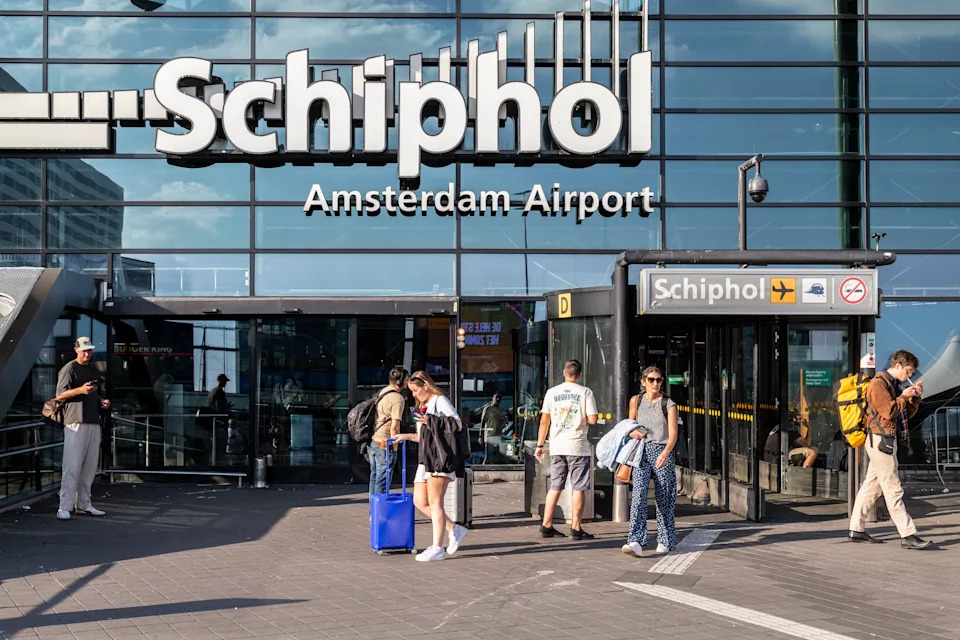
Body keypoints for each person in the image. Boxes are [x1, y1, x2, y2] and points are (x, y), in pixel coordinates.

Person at [849, 350, 932, 549]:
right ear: (897, 366)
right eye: (908, 370)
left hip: (883, 438)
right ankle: (908, 534)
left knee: (872, 486)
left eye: (911, 372)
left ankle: (856, 529)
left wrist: (915, 398)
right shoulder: (878, 384)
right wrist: (904, 396)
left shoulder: (893, 385)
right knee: (893, 487)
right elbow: (889, 411)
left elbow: (904, 414)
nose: (909, 375)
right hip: (880, 440)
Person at [395, 371, 468, 562]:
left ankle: (437, 547)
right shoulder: (421, 406)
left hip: (438, 458)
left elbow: (458, 425)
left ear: (426, 386)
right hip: (425, 458)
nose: (414, 395)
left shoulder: (439, 401)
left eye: (415, 390)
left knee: (435, 503)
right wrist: (406, 436)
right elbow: (422, 437)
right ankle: (453, 529)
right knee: (420, 501)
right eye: (411, 391)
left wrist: (431, 421)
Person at [535, 359, 598, 540]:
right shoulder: (585, 392)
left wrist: (540, 445)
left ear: (564, 372)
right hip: (577, 445)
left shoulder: (552, 393)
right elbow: (593, 419)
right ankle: (576, 528)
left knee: (555, 486)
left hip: (556, 445)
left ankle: (546, 524)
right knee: (578, 487)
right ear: (579, 375)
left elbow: (544, 421)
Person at [622, 365, 679, 558]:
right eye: (651, 380)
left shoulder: (668, 404)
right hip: (641, 451)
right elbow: (628, 426)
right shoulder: (635, 401)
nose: (655, 383)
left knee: (664, 497)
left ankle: (665, 540)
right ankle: (635, 540)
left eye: (659, 380)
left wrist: (666, 452)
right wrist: (632, 432)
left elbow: (673, 434)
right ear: (643, 381)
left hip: (662, 450)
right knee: (638, 495)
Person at [54, 337, 111, 521]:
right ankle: (64, 506)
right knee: (72, 466)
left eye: (89, 350)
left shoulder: (93, 369)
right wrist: (80, 390)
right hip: (75, 421)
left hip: (92, 421)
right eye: (84, 350)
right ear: (76, 349)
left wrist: (102, 401)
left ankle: (84, 504)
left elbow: (94, 393)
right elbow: (60, 395)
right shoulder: (69, 368)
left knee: (89, 467)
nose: (87, 353)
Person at [368, 366, 408, 497]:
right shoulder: (397, 398)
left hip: (375, 441)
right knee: (383, 482)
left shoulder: (383, 391)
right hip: (386, 444)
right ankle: (380, 513)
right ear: (400, 381)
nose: (408, 382)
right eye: (407, 379)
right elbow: (394, 426)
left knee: (374, 479)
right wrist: (395, 446)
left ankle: (373, 512)